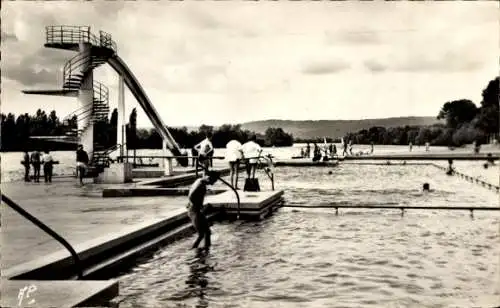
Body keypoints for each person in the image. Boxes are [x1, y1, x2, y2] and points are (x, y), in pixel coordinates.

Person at [187, 171, 219, 251]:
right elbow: (191, 196)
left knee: (207, 232)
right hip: (194, 211)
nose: (213, 183)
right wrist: (195, 205)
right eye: (213, 181)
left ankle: (207, 249)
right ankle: (191, 251)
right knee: (201, 234)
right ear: (209, 178)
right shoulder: (200, 184)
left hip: (196, 210)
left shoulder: (200, 181)